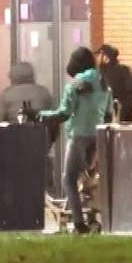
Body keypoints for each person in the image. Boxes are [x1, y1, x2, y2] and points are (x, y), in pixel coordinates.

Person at [41, 47, 112, 234]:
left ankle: (79, 223)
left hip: (78, 136)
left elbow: (63, 113)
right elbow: (109, 113)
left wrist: (39, 115)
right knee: (88, 179)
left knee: (69, 179)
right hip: (96, 137)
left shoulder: (74, 84)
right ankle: (95, 215)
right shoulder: (104, 83)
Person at [97, 44, 132, 123]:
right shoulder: (100, 73)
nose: (97, 58)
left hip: (122, 119)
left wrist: (122, 110)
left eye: (99, 55)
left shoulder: (123, 70)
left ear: (106, 57)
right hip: (104, 118)